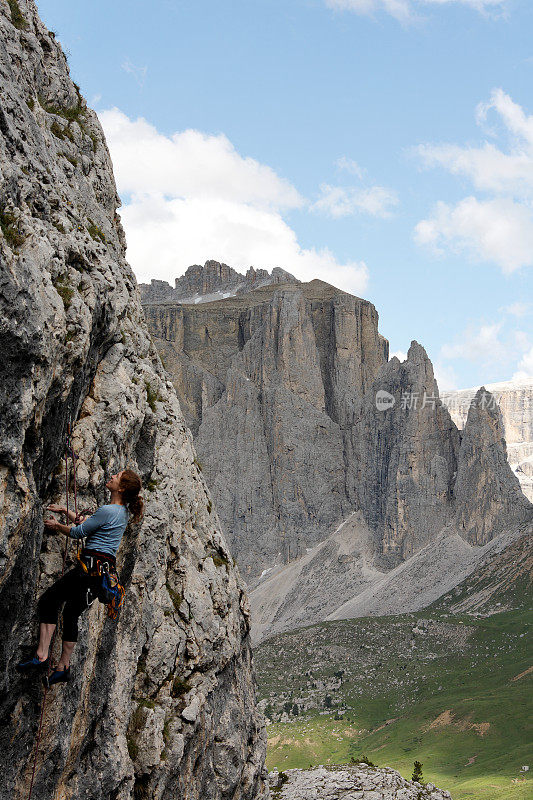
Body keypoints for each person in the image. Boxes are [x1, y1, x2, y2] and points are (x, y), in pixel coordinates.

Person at [16, 469, 143, 686]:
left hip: (87, 572)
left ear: (121, 488)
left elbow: (79, 532)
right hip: (101, 576)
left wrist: (57, 525)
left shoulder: (109, 510)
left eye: (116, 477)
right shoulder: (121, 513)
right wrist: (66, 511)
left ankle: (41, 656)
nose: (111, 476)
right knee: (71, 613)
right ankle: (63, 667)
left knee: (49, 600)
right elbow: (90, 522)